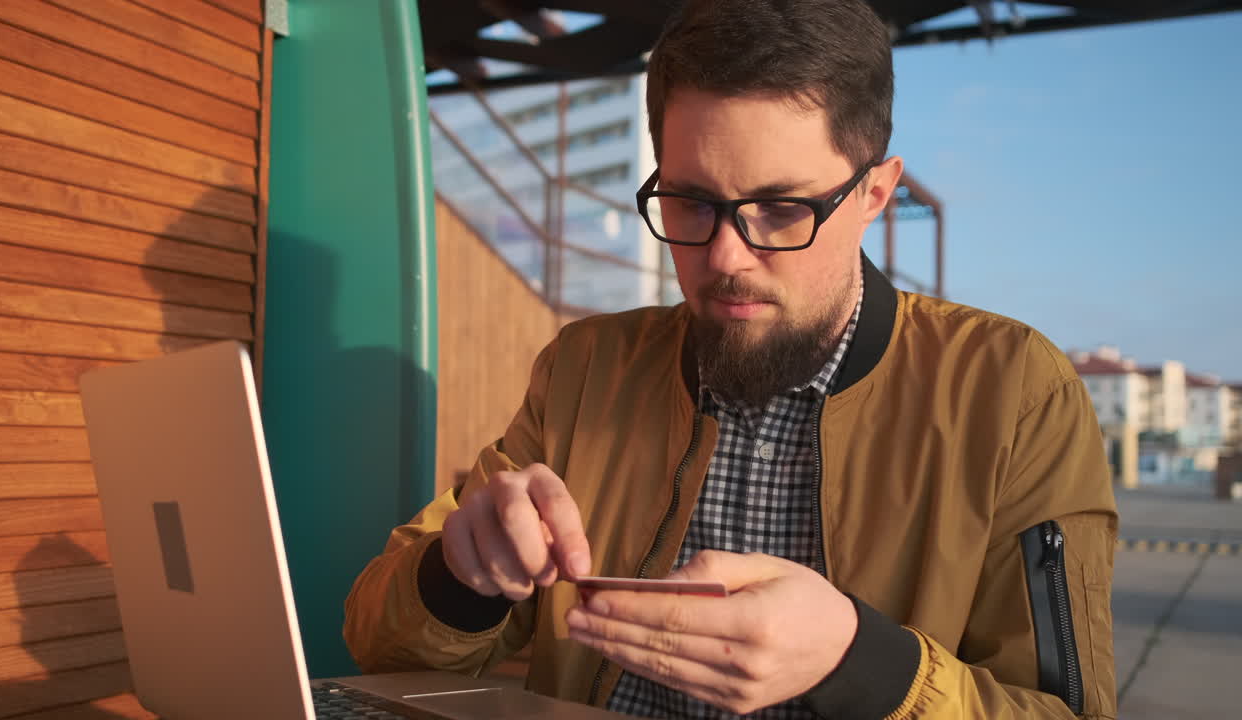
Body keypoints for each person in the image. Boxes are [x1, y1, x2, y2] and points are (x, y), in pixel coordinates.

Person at [344, 0, 1118, 717]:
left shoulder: (1014, 391)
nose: (725, 258)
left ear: (875, 195)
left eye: (782, 210)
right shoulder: (586, 366)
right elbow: (378, 644)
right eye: (691, 202)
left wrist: (858, 660)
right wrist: (462, 576)